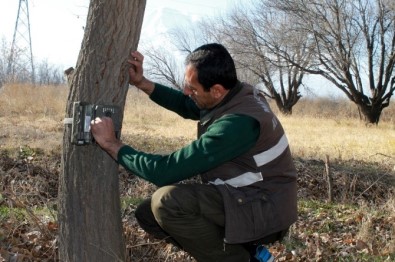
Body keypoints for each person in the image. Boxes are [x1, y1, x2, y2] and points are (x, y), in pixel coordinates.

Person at [90, 43, 297, 262]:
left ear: (216, 90)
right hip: (249, 197)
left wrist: (113, 145)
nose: (187, 92)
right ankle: (242, 252)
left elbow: (163, 172)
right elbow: (188, 105)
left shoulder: (238, 125)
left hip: (266, 210)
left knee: (167, 202)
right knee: (147, 214)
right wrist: (142, 83)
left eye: (193, 89)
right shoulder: (236, 94)